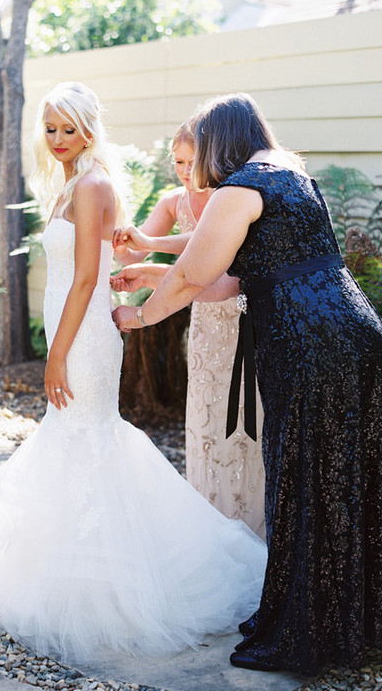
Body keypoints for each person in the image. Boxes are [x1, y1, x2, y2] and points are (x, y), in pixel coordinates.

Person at [0, 82, 267, 664]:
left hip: (85, 339)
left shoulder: (92, 185)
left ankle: (106, 588)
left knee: (85, 437)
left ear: (90, 129)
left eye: (70, 128)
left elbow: (87, 279)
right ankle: (65, 572)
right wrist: (140, 256)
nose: (59, 139)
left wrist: (56, 354)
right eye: (51, 128)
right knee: (77, 441)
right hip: (73, 330)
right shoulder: (72, 185)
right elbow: (109, 257)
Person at [112, 92, 382, 677]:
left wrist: (140, 317)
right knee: (346, 473)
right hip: (356, 333)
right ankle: (356, 622)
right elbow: (232, 279)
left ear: (218, 143)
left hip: (310, 343)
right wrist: (155, 274)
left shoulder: (238, 187)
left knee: (305, 476)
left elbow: (198, 275)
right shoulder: (293, 175)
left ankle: (311, 633)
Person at [112, 122, 265, 539]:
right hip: (204, 325)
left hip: (244, 319)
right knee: (205, 417)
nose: (183, 170)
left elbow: (200, 249)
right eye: (177, 161)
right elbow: (137, 243)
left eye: (191, 161)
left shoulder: (231, 198)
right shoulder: (173, 201)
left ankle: (250, 519)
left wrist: (147, 256)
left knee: (248, 418)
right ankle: (209, 517)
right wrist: (117, 232)